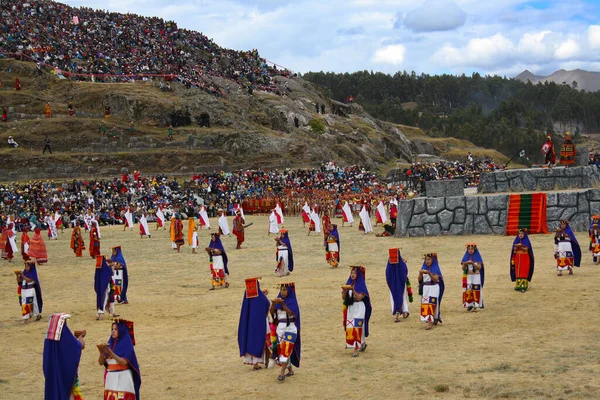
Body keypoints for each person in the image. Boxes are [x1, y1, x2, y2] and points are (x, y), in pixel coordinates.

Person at [43, 313, 86, 400]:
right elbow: (79, 346)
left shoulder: (48, 339)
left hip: (52, 377)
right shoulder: (65, 334)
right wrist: (80, 336)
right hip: (66, 379)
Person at [97, 319, 141, 400]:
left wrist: (111, 353)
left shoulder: (127, 345)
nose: (113, 331)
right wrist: (101, 353)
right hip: (110, 378)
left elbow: (124, 362)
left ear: (121, 330)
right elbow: (101, 362)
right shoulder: (109, 344)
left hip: (123, 377)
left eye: (116, 329)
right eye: (112, 329)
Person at [270, 282, 301, 381]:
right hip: (280, 329)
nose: (282, 292)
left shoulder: (293, 302)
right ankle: (290, 370)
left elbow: (292, 313)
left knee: (286, 350)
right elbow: (272, 313)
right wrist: (274, 304)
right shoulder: (278, 301)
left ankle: (282, 373)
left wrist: (283, 304)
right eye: (281, 290)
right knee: (283, 351)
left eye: (285, 290)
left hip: (291, 329)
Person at [238, 277, 271, 370]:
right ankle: (266, 361)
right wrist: (264, 296)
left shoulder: (247, 298)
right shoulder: (260, 297)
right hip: (262, 324)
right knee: (265, 341)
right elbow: (266, 304)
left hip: (249, 325)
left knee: (251, 341)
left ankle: (255, 363)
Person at [342, 266, 371, 357]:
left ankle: (355, 349)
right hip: (351, 307)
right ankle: (362, 343)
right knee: (351, 326)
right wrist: (344, 291)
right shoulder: (348, 283)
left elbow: (359, 298)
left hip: (359, 307)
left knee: (357, 327)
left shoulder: (361, 286)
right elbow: (343, 298)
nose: (352, 275)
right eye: (351, 273)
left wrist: (353, 290)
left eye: (354, 273)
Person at [418, 253, 444, 330]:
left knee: (432, 303)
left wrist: (429, 273)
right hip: (426, 288)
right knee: (426, 304)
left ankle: (430, 322)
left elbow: (435, 279)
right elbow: (419, 279)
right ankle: (432, 319)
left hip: (434, 287)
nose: (427, 261)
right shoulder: (424, 268)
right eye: (426, 260)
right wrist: (420, 273)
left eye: (429, 259)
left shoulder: (436, 268)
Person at [386, 248, 412, 322]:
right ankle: (399, 314)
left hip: (395, 285)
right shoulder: (401, 264)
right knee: (401, 297)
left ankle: (403, 312)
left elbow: (388, 274)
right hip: (400, 284)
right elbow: (405, 272)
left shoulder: (390, 264)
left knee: (398, 298)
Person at [461, 243, 484, 311]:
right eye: (469, 249)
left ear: (474, 249)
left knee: (476, 290)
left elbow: (479, 267)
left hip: (476, 276)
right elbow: (463, 268)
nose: (470, 250)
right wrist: (465, 263)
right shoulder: (466, 257)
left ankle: (475, 305)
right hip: (468, 276)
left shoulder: (478, 257)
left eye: (472, 249)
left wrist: (473, 264)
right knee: (469, 290)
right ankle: (469, 304)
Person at [95, 255, 119, 320]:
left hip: (108, 285)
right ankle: (99, 315)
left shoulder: (99, 268)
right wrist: (111, 266)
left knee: (111, 297)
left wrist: (111, 266)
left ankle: (113, 312)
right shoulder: (104, 268)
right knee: (103, 300)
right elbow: (111, 273)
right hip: (105, 286)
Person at [510, 228, 535, 293]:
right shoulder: (516, 240)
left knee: (523, 271)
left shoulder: (526, 241)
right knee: (517, 271)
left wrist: (520, 247)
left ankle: (523, 286)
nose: (520, 235)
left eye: (521, 234)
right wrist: (516, 248)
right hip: (517, 258)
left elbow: (526, 249)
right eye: (519, 234)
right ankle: (518, 286)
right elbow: (514, 250)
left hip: (524, 258)